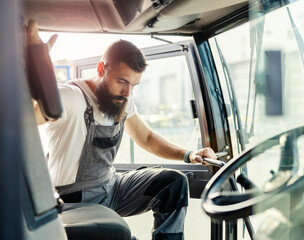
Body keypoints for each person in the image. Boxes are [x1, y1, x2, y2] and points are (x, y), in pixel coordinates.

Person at [26, 20, 217, 240]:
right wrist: (32, 67)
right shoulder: (71, 97)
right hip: (74, 200)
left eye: (134, 85)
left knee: (174, 183)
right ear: (101, 69)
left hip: (111, 186)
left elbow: (146, 137)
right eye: (122, 81)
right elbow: (26, 116)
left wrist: (189, 154)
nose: (127, 92)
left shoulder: (123, 99)